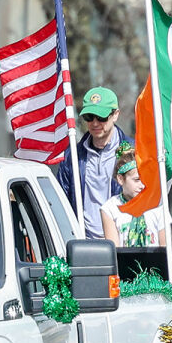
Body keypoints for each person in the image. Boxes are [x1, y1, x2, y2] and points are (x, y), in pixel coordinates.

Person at [56, 87, 129, 239]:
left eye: (101, 117)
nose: (95, 123)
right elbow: (62, 201)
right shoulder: (72, 157)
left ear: (115, 115)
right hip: (84, 241)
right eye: (89, 117)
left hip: (123, 240)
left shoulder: (134, 153)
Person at [100, 145, 166, 246]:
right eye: (137, 180)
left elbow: (165, 247)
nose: (142, 185)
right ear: (120, 179)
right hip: (124, 261)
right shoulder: (110, 208)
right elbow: (114, 250)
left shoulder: (157, 205)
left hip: (154, 261)